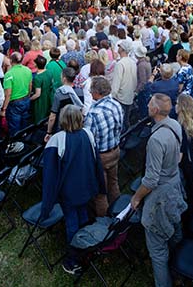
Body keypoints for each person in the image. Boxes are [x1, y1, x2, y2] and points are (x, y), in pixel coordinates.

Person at [130, 94, 187, 287]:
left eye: (150, 104)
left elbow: (151, 180)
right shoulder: (175, 124)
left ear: (155, 110)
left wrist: (136, 198)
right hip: (174, 184)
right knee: (175, 222)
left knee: (157, 251)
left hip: (161, 194)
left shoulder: (156, 140)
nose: (146, 105)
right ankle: (178, 260)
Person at [40, 105, 106, 265]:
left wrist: (46, 207)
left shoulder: (57, 140)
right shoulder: (88, 134)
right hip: (87, 186)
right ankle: (86, 247)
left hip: (69, 192)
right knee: (83, 214)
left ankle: (74, 259)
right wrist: (100, 186)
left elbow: (50, 176)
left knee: (71, 222)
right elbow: (97, 163)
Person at [83, 76, 123, 217]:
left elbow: (88, 140)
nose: (89, 92)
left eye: (90, 90)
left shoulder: (93, 114)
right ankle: (118, 214)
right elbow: (120, 128)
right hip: (115, 150)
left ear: (97, 93)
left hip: (101, 156)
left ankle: (104, 224)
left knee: (100, 193)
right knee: (113, 183)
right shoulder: (116, 105)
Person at [176, 93, 193, 212]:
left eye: (177, 103)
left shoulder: (182, 128)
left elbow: (179, 157)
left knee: (189, 196)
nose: (175, 106)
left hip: (187, 166)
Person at [45, 67, 84, 139]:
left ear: (64, 79)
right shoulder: (80, 92)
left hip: (63, 125)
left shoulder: (59, 93)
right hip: (76, 124)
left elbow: (53, 116)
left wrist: (49, 132)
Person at [2, 52, 33, 135]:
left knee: (14, 127)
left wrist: (4, 108)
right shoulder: (28, 70)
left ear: (11, 60)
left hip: (14, 103)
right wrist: (28, 96)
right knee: (24, 123)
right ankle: (24, 140)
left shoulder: (9, 74)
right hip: (26, 100)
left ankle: (16, 144)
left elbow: (8, 93)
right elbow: (30, 86)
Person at [111, 39, 137, 128]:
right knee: (126, 120)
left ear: (122, 50)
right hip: (129, 95)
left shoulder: (120, 64)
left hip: (120, 97)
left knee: (120, 122)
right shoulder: (133, 62)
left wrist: (112, 97)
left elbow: (116, 84)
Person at [29, 55, 54, 124]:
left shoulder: (37, 78)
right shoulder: (49, 72)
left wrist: (29, 99)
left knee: (39, 118)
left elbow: (37, 94)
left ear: (36, 65)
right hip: (48, 97)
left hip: (40, 101)